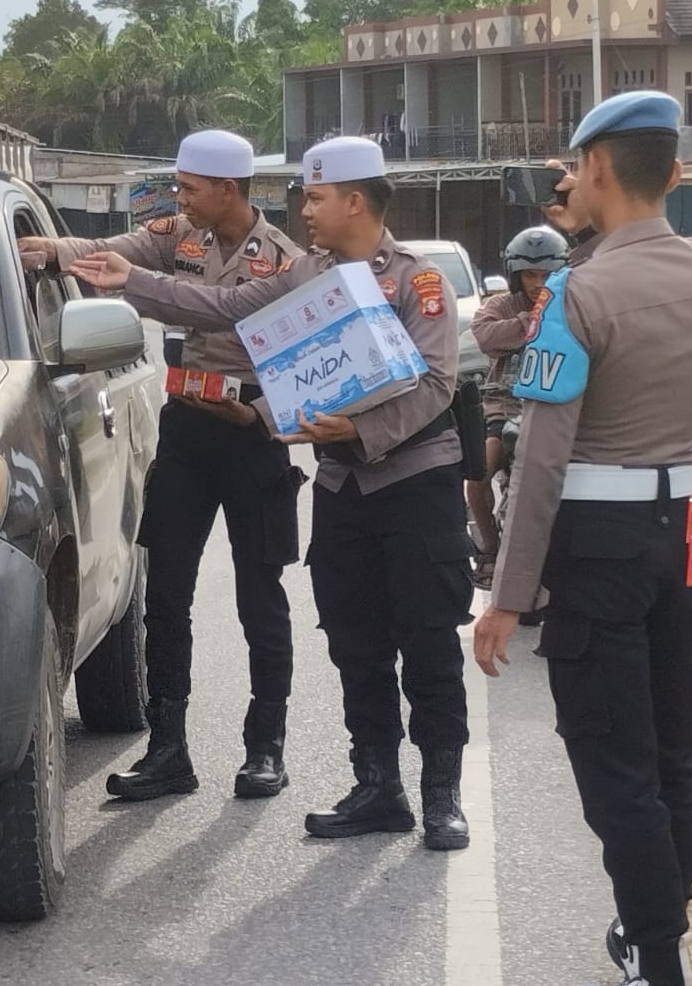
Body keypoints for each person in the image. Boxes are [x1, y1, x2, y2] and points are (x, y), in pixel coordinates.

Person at [70, 135, 477, 851]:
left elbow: (437, 385)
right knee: (357, 642)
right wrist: (125, 276)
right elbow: (220, 304)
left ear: (355, 200)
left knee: (427, 641)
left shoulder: (417, 282)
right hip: (342, 481)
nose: (303, 210)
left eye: (315, 198)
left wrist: (357, 424)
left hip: (413, 479)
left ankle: (440, 793)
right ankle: (377, 785)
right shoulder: (307, 272)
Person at [471, 91, 692, 986]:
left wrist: (507, 598)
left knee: (612, 758)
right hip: (682, 534)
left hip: (598, 543)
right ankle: (660, 928)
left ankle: (657, 953)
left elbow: (541, 458)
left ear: (591, 168)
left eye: (571, 166)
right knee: (673, 748)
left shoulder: (580, 293)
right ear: (672, 173)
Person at [18, 129, 306, 802]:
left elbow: (294, 366)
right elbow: (110, 252)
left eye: (190, 187)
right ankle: (168, 748)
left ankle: (265, 747)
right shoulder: (179, 234)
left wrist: (262, 418)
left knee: (259, 598)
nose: (178, 197)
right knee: (166, 594)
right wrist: (54, 250)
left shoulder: (285, 263)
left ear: (228, 190)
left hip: (253, 432)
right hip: (188, 434)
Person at [466, 225, 571, 586]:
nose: (537, 282)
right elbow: (484, 335)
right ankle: (490, 550)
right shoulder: (500, 305)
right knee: (478, 472)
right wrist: (532, 322)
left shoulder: (573, 303)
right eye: (529, 274)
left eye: (545, 275)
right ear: (515, 274)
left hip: (553, 410)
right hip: (504, 408)